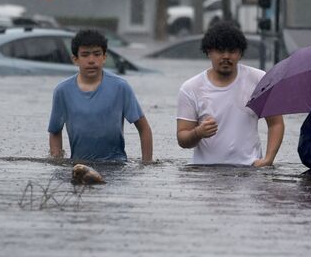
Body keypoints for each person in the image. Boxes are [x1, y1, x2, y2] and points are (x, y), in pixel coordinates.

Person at [176, 20, 283, 166]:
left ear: (240, 53)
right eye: (220, 50)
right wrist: (198, 133)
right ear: (208, 52)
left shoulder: (259, 80)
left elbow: (275, 123)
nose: (226, 56)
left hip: (249, 172)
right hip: (204, 173)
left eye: (232, 51)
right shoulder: (191, 88)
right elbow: (182, 138)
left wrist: (268, 160)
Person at [49, 29, 153, 164]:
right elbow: (55, 131)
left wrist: (146, 165)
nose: (91, 60)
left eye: (97, 54)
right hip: (79, 166)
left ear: (104, 57)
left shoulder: (120, 87)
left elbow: (144, 128)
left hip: (116, 167)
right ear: (75, 59)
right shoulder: (62, 91)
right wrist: (58, 163)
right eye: (85, 55)